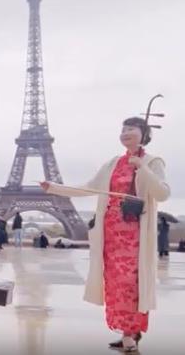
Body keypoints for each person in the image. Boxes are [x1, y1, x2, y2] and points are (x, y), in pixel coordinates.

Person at [41, 117, 169, 352]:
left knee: (131, 284)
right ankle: (126, 333)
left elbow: (162, 193)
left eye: (131, 129)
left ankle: (131, 335)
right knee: (116, 285)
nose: (125, 133)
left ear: (144, 133)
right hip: (112, 235)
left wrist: (143, 168)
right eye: (122, 129)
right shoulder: (113, 163)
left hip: (135, 237)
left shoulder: (153, 162)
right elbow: (88, 187)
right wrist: (54, 188)